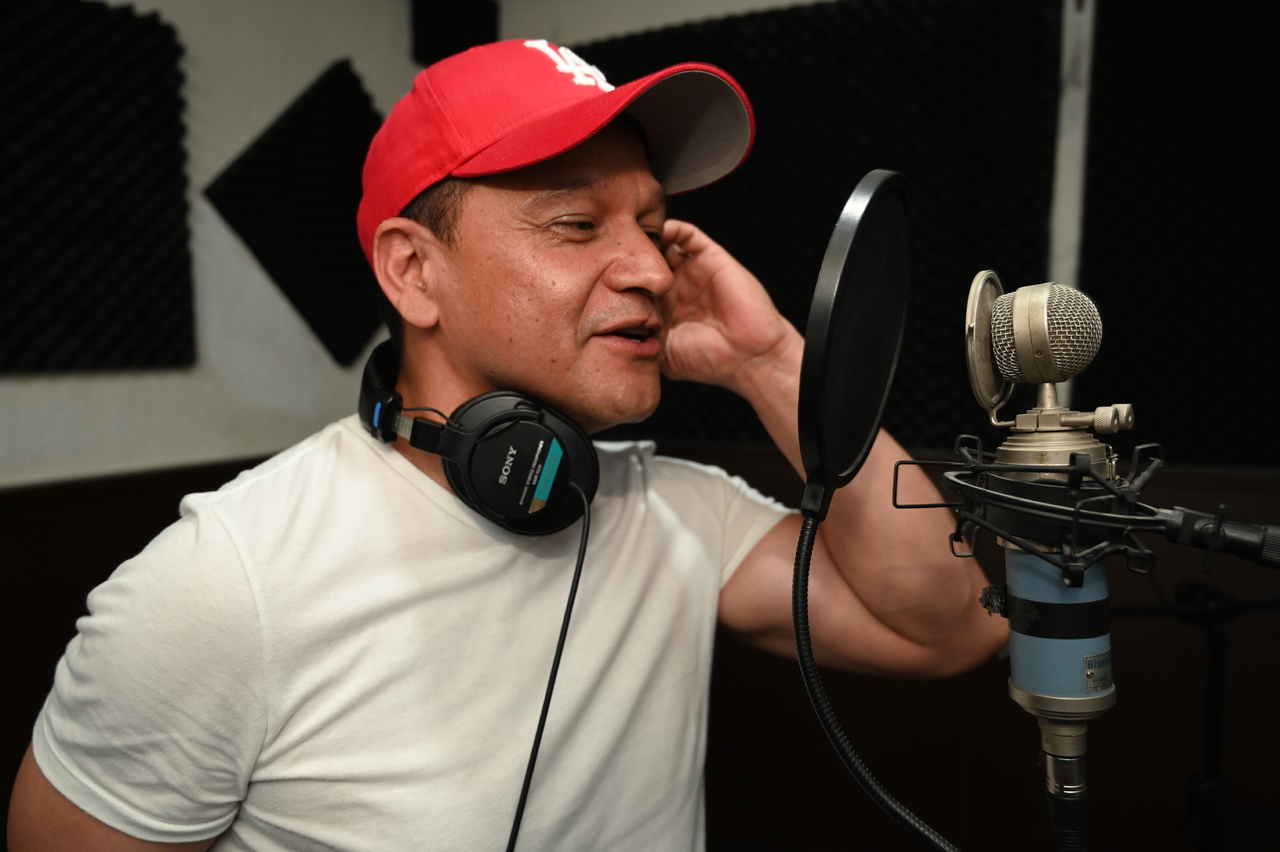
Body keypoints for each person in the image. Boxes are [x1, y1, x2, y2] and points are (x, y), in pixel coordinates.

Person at [8, 40, 1007, 851]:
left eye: (654, 226)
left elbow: (952, 628)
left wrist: (770, 360)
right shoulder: (221, 587)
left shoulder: (673, 511)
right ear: (413, 273)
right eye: (575, 223)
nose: (651, 271)